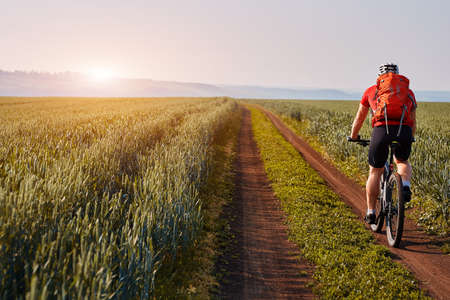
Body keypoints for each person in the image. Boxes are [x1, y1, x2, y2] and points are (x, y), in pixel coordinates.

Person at [350, 63, 417, 224]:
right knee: (402, 161)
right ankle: (405, 186)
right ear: (398, 75)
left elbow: (360, 117)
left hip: (381, 131)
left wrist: (354, 135)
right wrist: (411, 136)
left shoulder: (371, 91)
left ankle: (371, 212)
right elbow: (413, 120)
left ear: (380, 77)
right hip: (404, 131)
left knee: (375, 170)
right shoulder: (408, 93)